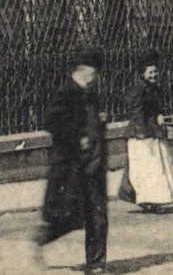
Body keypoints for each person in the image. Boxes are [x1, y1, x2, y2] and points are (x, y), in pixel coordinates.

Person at [37, 48, 107, 272]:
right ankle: (41, 238)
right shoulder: (66, 91)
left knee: (99, 217)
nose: (95, 79)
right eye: (94, 74)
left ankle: (96, 265)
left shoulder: (90, 94)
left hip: (93, 163)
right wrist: (77, 137)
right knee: (72, 217)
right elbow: (51, 122)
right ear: (84, 71)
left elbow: (90, 122)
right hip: (73, 165)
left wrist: (100, 121)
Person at [120, 52, 173, 212]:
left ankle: (153, 199)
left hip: (152, 132)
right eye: (150, 72)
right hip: (142, 135)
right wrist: (142, 134)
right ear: (143, 74)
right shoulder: (139, 89)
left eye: (155, 71)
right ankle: (151, 199)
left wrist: (160, 117)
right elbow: (137, 113)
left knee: (155, 166)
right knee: (148, 168)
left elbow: (156, 108)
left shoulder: (152, 88)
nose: (154, 75)